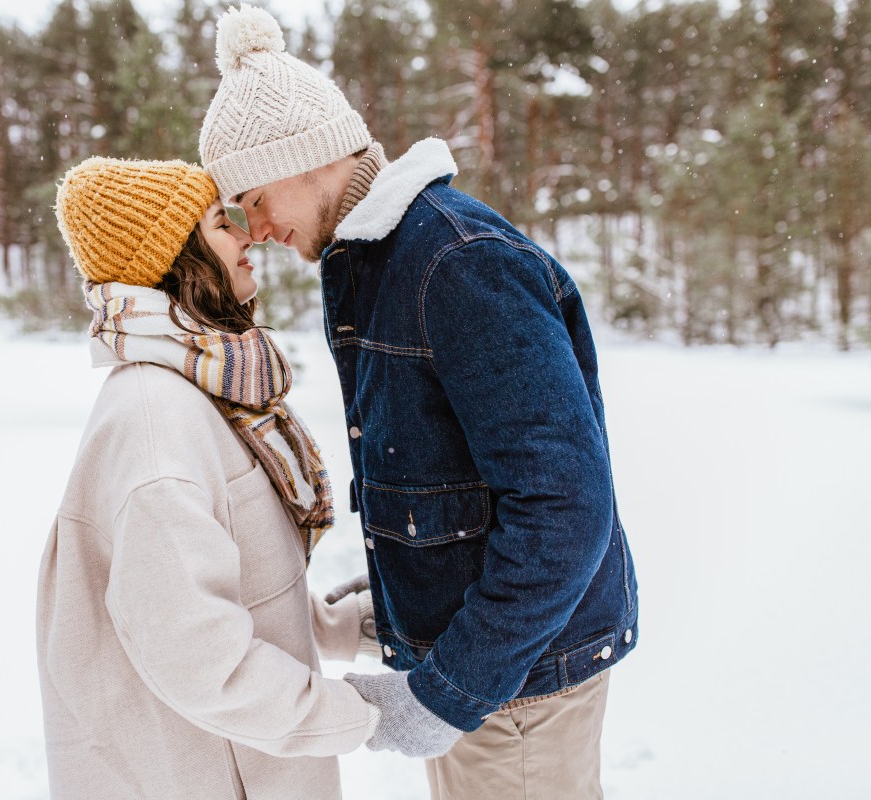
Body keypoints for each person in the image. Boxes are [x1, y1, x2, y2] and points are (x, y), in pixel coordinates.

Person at [198, 6, 640, 798]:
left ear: (307, 159)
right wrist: (406, 593)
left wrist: (449, 693)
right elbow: (453, 472)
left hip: (517, 691)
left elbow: (564, 509)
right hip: (487, 673)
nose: (254, 230)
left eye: (256, 198)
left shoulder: (456, 264)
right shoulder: (379, 264)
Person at [35, 156, 384, 800]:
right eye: (221, 225)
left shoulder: (201, 390)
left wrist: (344, 628)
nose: (248, 235)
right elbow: (199, 659)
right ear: (175, 258)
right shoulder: (157, 426)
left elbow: (213, 592)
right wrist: (367, 715)